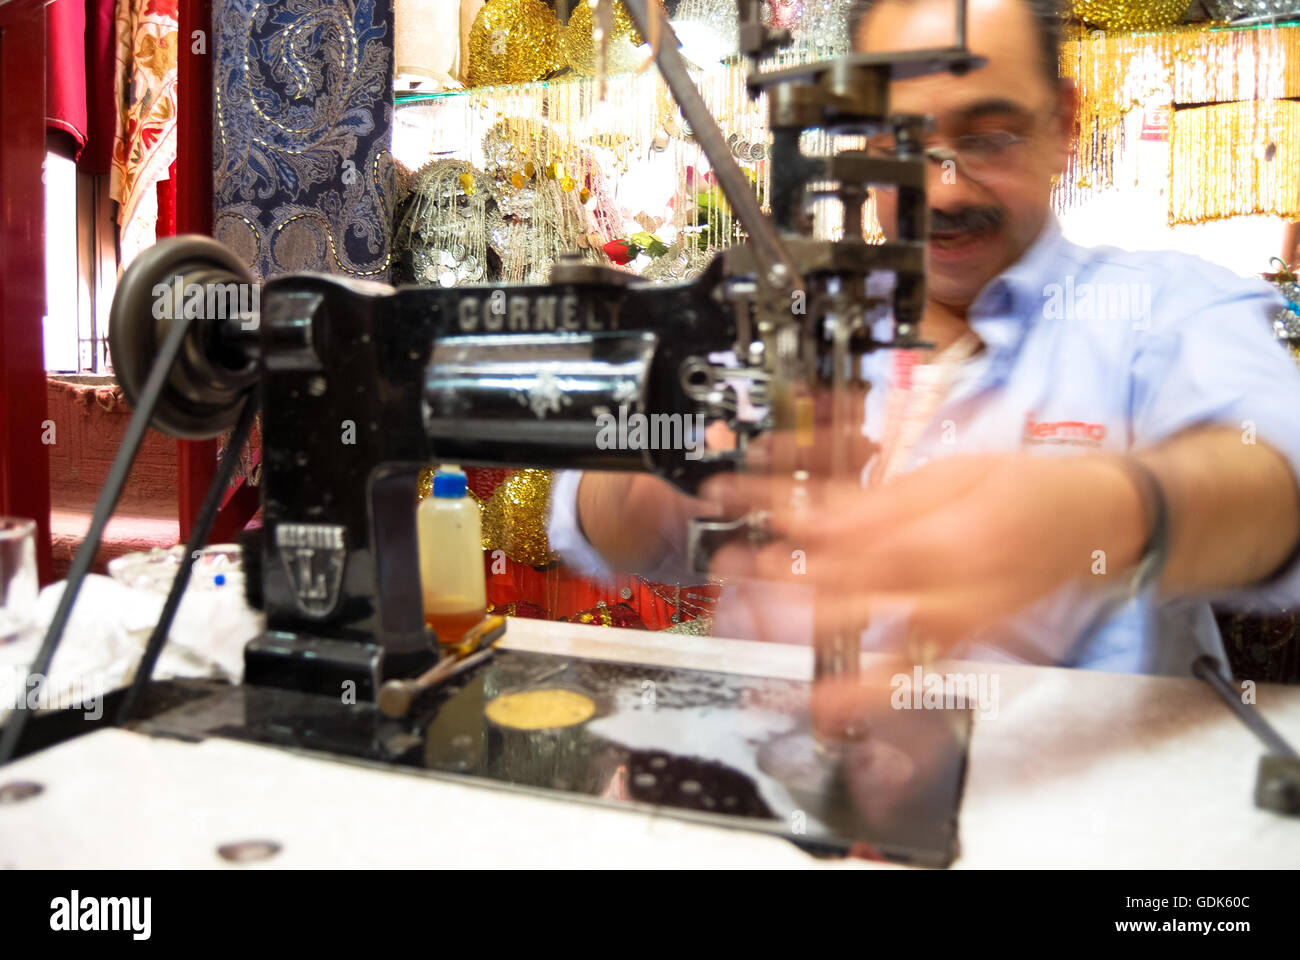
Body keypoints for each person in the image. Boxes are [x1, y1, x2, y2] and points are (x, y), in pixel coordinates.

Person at [547, 0, 1300, 677]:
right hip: (774, 787)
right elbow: (598, 524)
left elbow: (1275, 476)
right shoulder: (775, 315)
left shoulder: (1163, 309)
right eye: (900, 142)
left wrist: (1107, 513)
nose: (942, 190)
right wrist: (659, 477)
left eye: (989, 137)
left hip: (1069, 811)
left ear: (1064, 125)